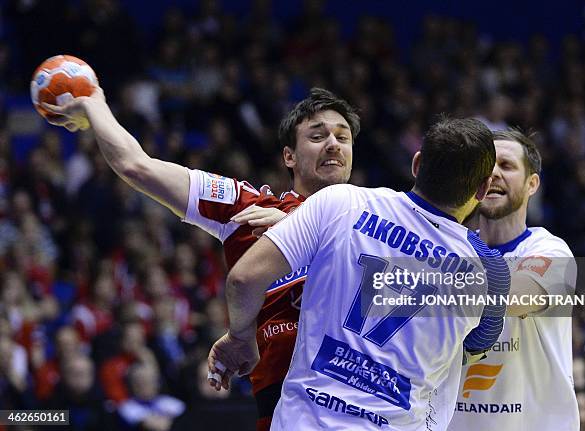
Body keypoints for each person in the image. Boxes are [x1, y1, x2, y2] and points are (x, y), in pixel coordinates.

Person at [42, 86, 360, 431]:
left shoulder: (380, 219)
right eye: (317, 135)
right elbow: (137, 167)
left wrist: (297, 228)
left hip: (368, 394)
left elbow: (408, 295)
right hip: (287, 405)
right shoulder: (248, 208)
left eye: (342, 137)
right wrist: (95, 104)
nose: (333, 143)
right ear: (289, 156)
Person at [207, 117, 511, 430]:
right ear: (483, 188)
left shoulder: (342, 201)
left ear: (417, 164)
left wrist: (240, 337)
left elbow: (244, 278)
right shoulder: (489, 270)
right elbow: (473, 348)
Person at [447, 129, 579, 430]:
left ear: (532, 184)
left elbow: (514, 297)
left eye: (506, 166)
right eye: (485, 167)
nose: (493, 174)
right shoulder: (452, 247)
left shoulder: (550, 249)